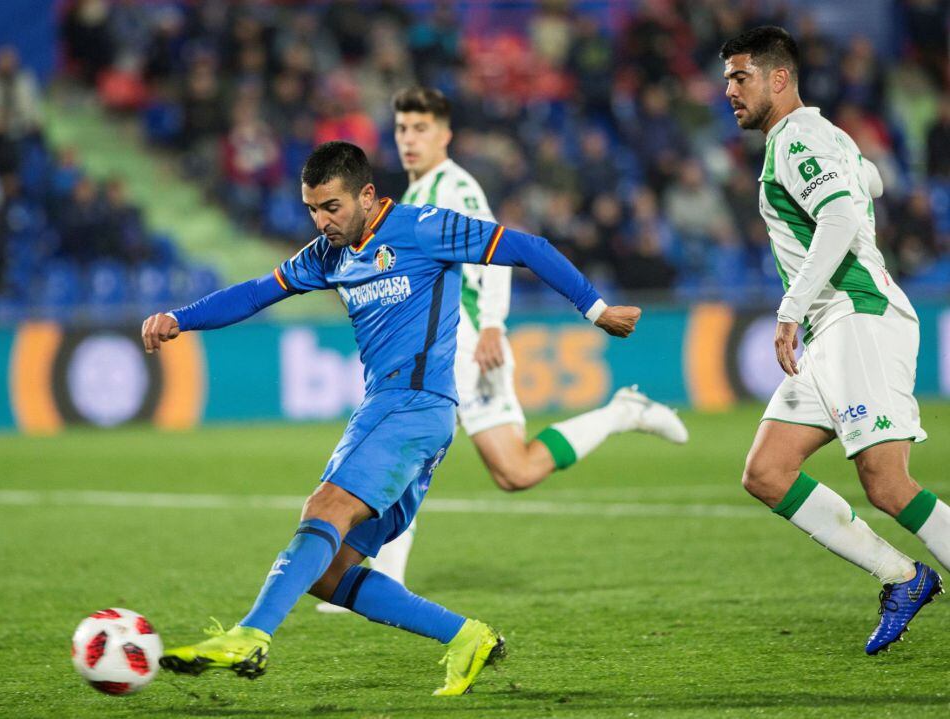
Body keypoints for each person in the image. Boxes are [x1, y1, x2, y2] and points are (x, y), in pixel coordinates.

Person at [142, 141, 644, 695]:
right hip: (406, 416)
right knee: (329, 574)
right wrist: (179, 318)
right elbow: (259, 292)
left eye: (331, 206)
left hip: (412, 404)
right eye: (311, 208)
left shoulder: (424, 229)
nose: (321, 220)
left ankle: (250, 634)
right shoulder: (326, 254)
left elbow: (527, 246)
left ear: (366, 194)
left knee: (323, 508)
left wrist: (595, 309)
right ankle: (467, 636)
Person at [317, 87, 687, 614]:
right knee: (479, 465)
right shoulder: (413, 192)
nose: (409, 139)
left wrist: (492, 325)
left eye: (421, 128)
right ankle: (373, 577)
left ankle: (621, 413)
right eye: (402, 129)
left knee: (491, 466)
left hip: (467, 344)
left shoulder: (455, 185)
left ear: (445, 135)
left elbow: (498, 248)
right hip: (444, 347)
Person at [721, 26, 946, 656]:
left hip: (856, 316)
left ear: (779, 78)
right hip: (829, 330)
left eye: (742, 78)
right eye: (727, 80)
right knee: (767, 472)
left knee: (887, 483)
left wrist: (790, 310)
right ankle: (903, 577)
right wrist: (859, 171)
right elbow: (867, 183)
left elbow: (843, 215)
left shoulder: (798, 137)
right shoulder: (818, 139)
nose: (730, 92)